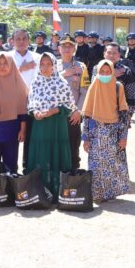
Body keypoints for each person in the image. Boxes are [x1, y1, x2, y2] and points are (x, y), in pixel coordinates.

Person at [26, 52, 80, 196]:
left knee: (56, 155)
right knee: (41, 155)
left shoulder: (61, 83)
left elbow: (69, 106)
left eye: (49, 64)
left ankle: (57, 190)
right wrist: (34, 112)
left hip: (57, 125)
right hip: (40, 126)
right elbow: (30, 104)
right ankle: (40, 191)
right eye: (42, 64)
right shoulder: (35, 82)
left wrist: (54, 110)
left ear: (54, 66)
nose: (45, 67)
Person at [81, 59, 129, 202]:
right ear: (97, 72)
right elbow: (87, 115)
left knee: (113, 164)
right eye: (102, 72)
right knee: (96, 165)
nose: (105, 74)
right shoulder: (94, 86)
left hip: (114, 132)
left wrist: (123, 136)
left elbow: (124, 113)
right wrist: (85, 138)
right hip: (96, 133)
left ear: (113, 72)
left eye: (108, 72)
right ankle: (97, 194)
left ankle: (111, 193)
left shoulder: (118, 86)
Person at [57, 35, 90, 169]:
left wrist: (79, 111)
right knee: (55, 146)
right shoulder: (51, 64)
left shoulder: (81, 67)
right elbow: (45, 82)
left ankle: (72, 175)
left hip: (73, 114)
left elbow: (85, 91)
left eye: (70, 46)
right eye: (64, 46)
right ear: (59, 49)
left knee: (72, 145)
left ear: (74, 49)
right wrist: (64, 73)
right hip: (55, 113)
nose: (66, 49)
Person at [11, 29, 40, 171]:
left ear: (29, 41)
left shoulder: (38, 58)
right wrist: (21, 68)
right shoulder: (6, 57)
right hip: (11, 103)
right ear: (12, 41)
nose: (21, 41)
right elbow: (0, 76)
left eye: (24, 38)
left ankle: (27, 168)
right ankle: (11, 169)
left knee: (29, 137)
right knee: (12, 137)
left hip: (33, 103)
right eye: (18, 39)